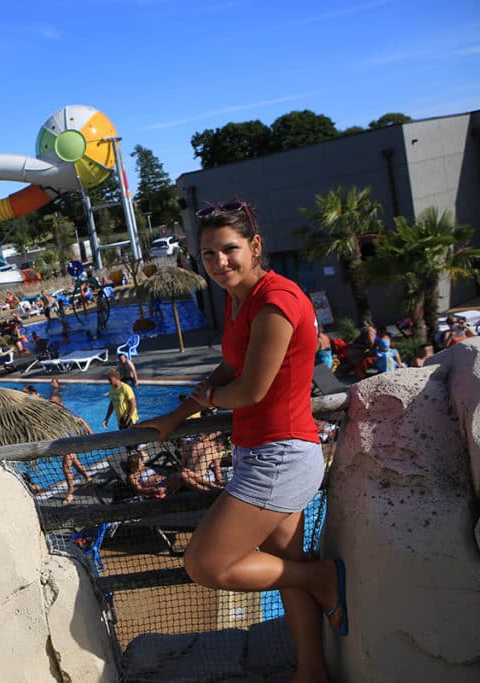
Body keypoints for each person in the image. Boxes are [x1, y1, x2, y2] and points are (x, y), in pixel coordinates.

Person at [137, 200, 345, 681]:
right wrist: (177, 414)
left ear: (255, 246)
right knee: (283, 560)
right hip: (261, 450)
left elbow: (250, 389)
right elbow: (229, 369)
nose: (219, 263)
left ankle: (323, 578)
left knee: (207, 564)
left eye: (229, 250)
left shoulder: (277, 301)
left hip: (281, 455)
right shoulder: (239, 300)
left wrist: (208, 399)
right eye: (208, 255)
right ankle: (311, 671)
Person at [49, 393, 92, 505]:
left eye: (53, 402)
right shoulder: (53, 414)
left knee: (66, 467)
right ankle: (88, 477)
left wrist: (90, 433)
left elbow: (81, 421)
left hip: (70, 443)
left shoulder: (67, 412)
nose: (50, 404)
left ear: (60, 403)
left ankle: (70, 494)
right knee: (74, 462)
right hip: (63, 443)